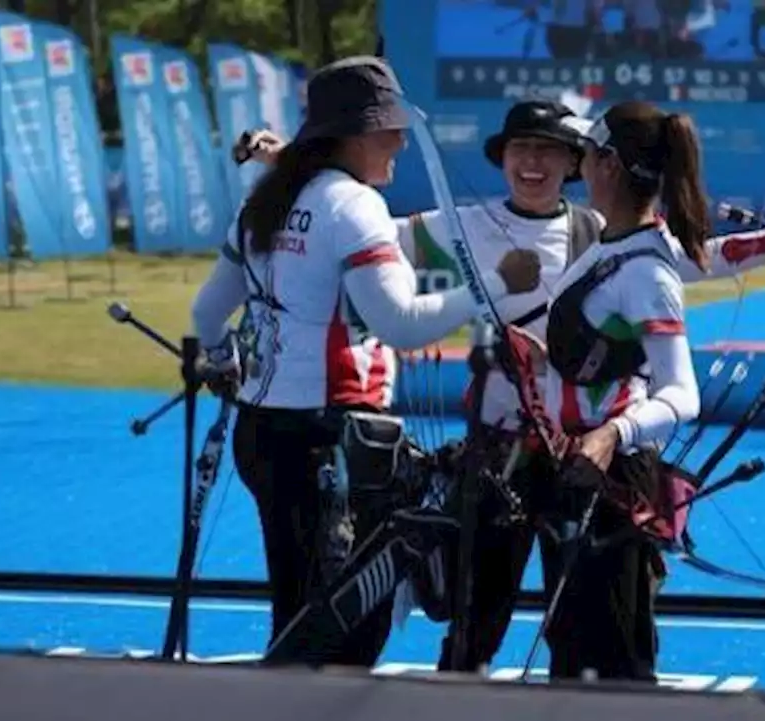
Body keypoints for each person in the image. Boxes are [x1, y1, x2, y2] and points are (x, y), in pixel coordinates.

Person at [236, 97, 765, 676]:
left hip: (575, 460)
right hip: (497, 455)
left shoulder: (596, 232)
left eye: (550, 152)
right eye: (521, 148)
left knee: (584, 633)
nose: (533, 163)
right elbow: (362, 229)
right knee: (473, 627)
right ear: (501, 158)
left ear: (577, 163)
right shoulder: (464, 223)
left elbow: (698, 255)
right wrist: (292, 161)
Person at [189, 55, 541, 669]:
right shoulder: (352, 205)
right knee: (347, 630)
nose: (402, 141)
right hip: (338, 448)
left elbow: (205, 313)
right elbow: (399, 322)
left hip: (264, 435)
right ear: (353, 134)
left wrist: (223, 362)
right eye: (390, 128)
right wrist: (495, 285)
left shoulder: (266, 200)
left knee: (297, 611)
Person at [534, 100, 765, 681]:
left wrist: (611, 433)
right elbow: (712, 255)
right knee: (573, 658)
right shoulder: (628, 246)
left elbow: (683, 394)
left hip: (611, 479)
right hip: (577, 473)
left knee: (617, 667)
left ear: (610, 167)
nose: (579, 164)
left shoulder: (645, 273)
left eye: (588, 154)